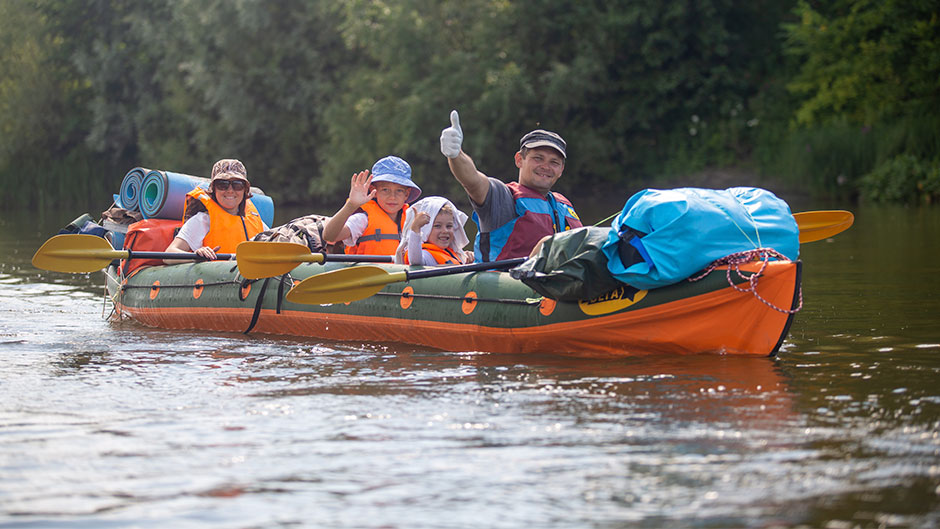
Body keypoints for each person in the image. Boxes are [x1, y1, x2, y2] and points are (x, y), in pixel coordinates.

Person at [439, 110, 582, 262]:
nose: (546, 167)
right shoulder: (503, 197)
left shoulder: (564, 205)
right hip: (508, 276)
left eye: (554, 162)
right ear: (519, 160)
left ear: (561, 170)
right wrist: (456, 155)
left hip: (559, 276)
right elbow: (473, 181)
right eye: (538, 158)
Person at [164, 158, 268, 263]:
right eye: (223, 185)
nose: (230, 190)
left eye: (237, 185)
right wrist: (196, 256)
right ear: (214, 189)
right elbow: (168, 255)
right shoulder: (203, 220)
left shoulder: (257, 222)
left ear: (245, 190)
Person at [322, 155, 422, 255]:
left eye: (399, 191)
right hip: (368, 266)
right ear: (374, 191)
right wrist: (351, 205)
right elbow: (329, 236)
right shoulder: (362, 220)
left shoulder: (413, 220)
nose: (392, 197)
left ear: (406, 194)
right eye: (385, 190)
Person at [394, 196, 470, 265]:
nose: (445, 231)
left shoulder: (452, 253)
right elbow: (415, 261)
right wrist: (416, 228)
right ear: (425, 229)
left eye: (449, 226)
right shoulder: (426, 255)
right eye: (437, 226)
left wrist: (469, 258)